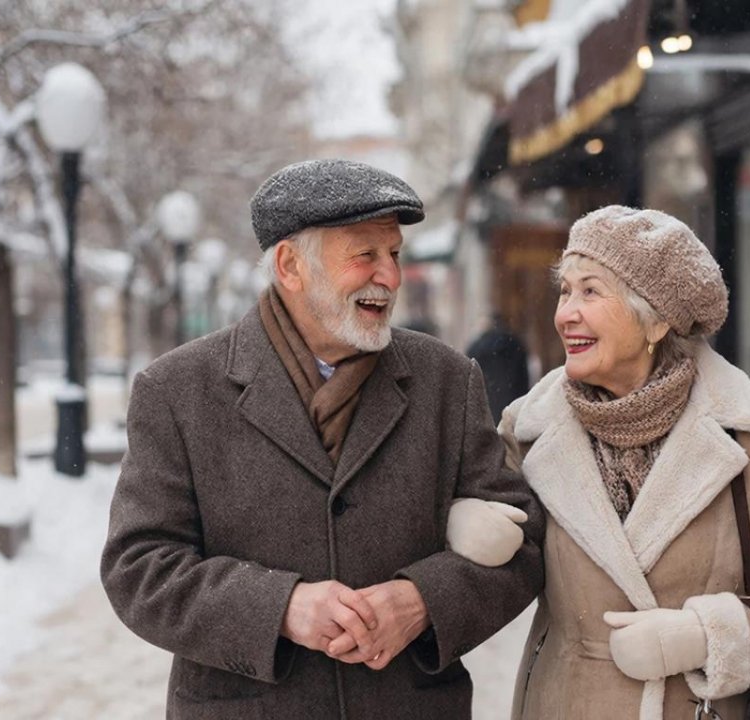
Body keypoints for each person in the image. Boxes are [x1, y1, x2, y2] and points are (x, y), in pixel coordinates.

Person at [101, 159, 544, 720]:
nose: (389, 275)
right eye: (365, 255)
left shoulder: (447, 380)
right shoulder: (176, 390)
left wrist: (423, 601)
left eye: (395, 254)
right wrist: (280, 608)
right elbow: (138, 568)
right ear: (290, 266)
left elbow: (523, 539)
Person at [485, 206, 750, 719]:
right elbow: (491, 580)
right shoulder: (525, 432)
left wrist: (704, 637)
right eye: (565, 290)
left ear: (657, 319)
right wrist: (475, 523)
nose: (565, 312)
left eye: (591, 291)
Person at [465, 313, 531, 425]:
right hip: (513, 398)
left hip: (488, 400)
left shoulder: (476, 347)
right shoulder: (515, 343)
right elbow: (523, 375)